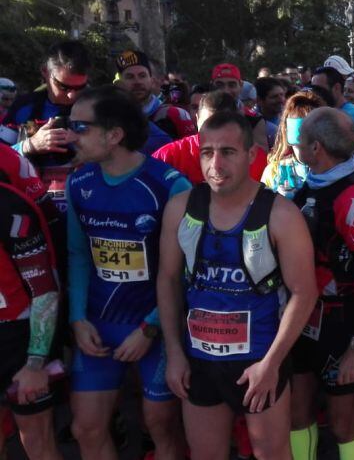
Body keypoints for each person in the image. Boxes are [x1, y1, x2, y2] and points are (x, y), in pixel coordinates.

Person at [156, 111, 317, 460]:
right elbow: (168, 281)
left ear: (250, 155)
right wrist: (175, 355)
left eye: (228, 152)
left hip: (258, 358)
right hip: (199, 359)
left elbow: (305, 293)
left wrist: (272, 363)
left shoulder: (281, 214)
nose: (216, 163)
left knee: (271, 453)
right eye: (207, 152)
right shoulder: (180, 208)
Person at [65, 86, 188, 460]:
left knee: (160, 426)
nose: (71, 136)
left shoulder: (169, 185)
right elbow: (78, 255)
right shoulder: (80, 182)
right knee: (85, 428)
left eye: (81, 128)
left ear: (114, 134)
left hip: (157, 324)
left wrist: (151, 326)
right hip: (100, 322)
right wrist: (77, 319)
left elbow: (185, 269)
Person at [288, 108, 354, 460]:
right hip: (302, 319)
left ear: (316, 149)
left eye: (300, 140)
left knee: (343, 421)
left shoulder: (351, 196)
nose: (294, 146)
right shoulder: (311, 184)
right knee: (297, 414)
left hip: (341, 326)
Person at [0, 165, 62, 460]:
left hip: (20, 338)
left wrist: (36, 361)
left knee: (38, 445)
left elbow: (44, 290)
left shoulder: (9, 206)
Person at [2, 41, 90, 210]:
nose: (72, 95)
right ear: (45, 72)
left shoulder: (100, 105)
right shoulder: (23, 108)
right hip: (35, 203)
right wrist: (29, 145)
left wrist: (83, 142)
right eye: (63, 87)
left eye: (81, 87)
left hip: (87, 202)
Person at [153, 91, 268, 185]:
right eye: (208, 125)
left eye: (223, 125)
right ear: (197, 120)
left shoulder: (255, 158)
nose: (215, 133)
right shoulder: (168, 156)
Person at [114, 50, 196, 141]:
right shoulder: (112, 119)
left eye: (142, 76)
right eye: (130, 77)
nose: (137, 82)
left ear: (152, 81)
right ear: (119, 84)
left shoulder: (175, 115)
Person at [262, 90, 326, 199]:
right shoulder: (275, 171)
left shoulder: (334, 169)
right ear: (286, 131)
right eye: (299, 144)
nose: (307, 150)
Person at [210, 63, 269, 151]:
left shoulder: (253, 119)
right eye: (219, 85)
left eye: (232, 85)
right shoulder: (202, 114)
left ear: (240, 85)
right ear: (211, 85)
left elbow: (260, 157)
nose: (226, 90)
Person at [311, 66, 354, 143]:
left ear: (336, 88)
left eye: (319, 89)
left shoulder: (352, 116)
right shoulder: (330, 112)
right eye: (313, 89)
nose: (315, 94)